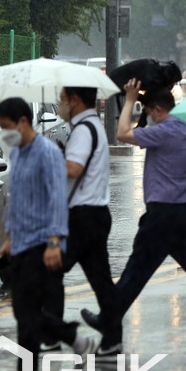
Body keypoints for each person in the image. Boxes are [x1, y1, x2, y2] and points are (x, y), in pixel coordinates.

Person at [82, 80, 186, 344]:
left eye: (149, 111)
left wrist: (130, 99)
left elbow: (122, 134)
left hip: (162, 216)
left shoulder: (163, 132)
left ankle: (107, 318)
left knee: (135, 272)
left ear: (156, 110)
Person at [0, 97, 96, 364]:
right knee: (22, 310)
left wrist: (54, 242)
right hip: (21, 241)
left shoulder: (48, 154)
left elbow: (56, 199)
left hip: (42, 241)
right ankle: (74, 338)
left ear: (23, 122)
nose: (4, 133)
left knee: (26, 312)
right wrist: (8, 237)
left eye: (6, 126)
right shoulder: (16, 153)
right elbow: (16, 199)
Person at [43, 86, 122, 356]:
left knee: (49, 270)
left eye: (62, 98)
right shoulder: (92, 127)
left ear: (75, 100)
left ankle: (54, 333)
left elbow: (74, 168)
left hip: (83, 217)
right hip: (93, 215)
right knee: (100, 281)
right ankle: (112, 338)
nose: (60, 104)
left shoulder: (83, 130)